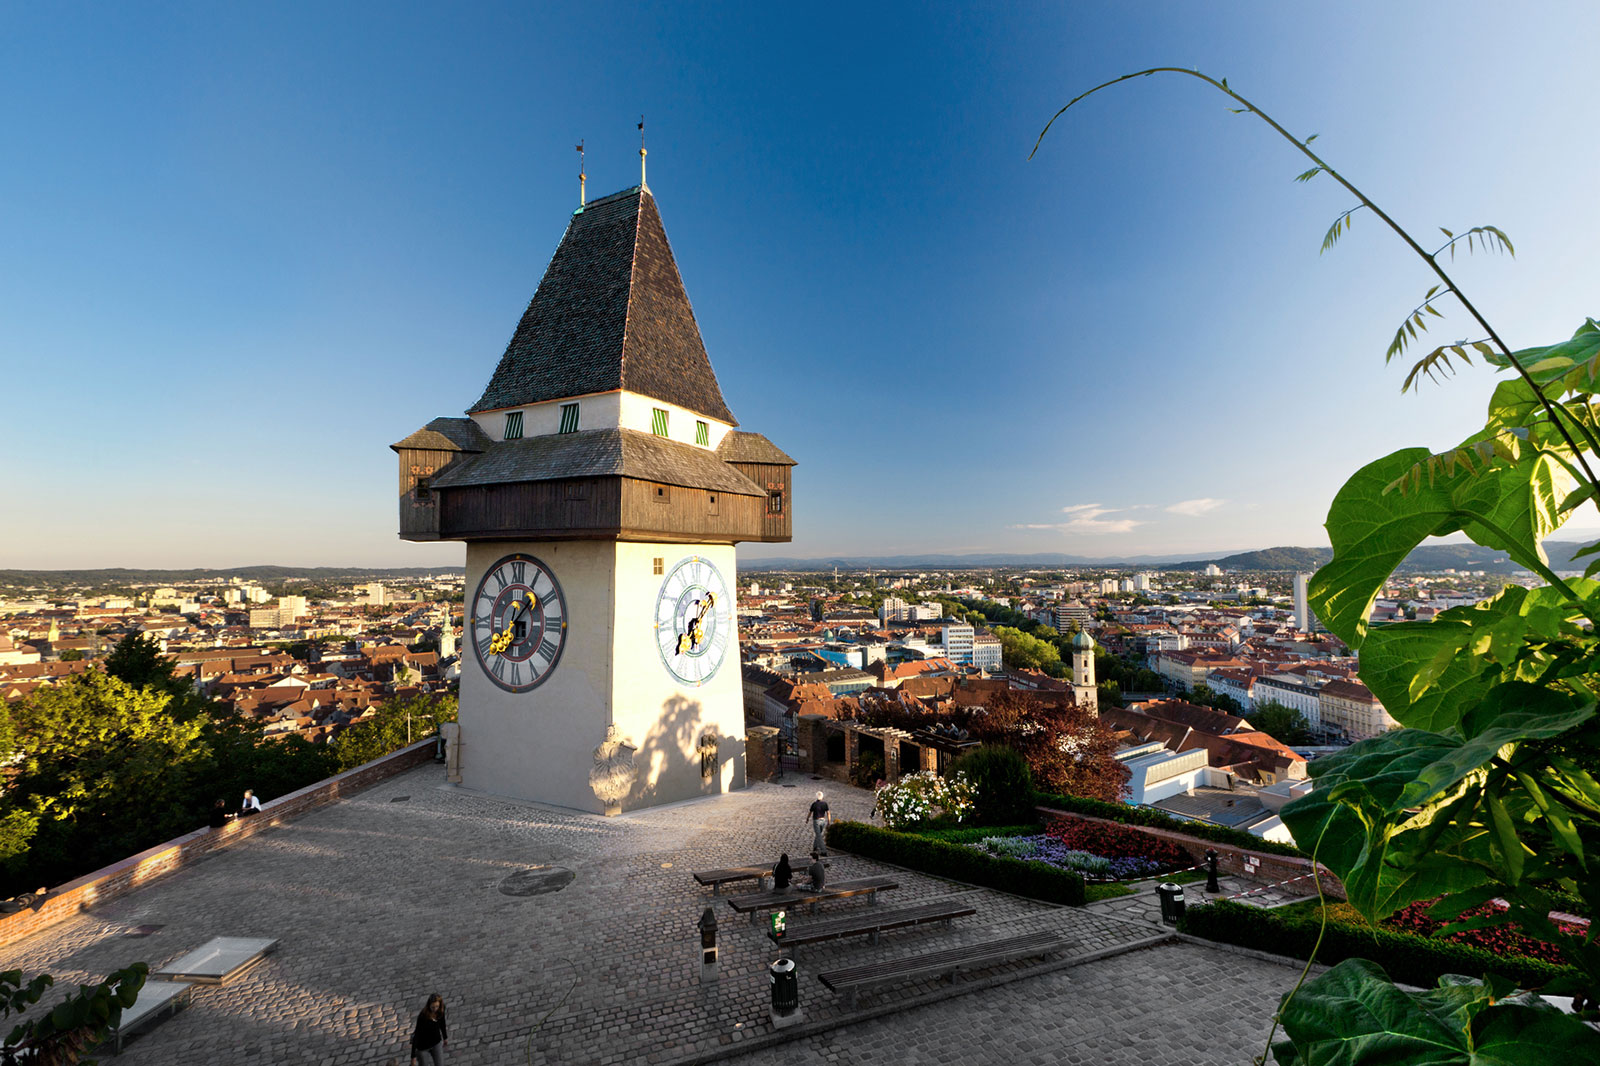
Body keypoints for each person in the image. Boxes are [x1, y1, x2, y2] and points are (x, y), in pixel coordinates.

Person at [409, 993, 448, 1066]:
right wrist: (413, 1056)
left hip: (436, 1042)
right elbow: (417, 1035)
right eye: (433, 1007)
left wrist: (445, 1037)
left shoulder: (441, 1010)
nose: (435, 1009)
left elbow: (442, 1023)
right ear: (429, 1005)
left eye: (437, 1006)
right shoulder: (423, 1016)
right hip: (423, 1047)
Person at [806, 791, 830, 856]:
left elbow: (810, 812)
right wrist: (829, 821)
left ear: (816, 796)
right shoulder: (825, 804)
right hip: (823, 821)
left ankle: (823, 851)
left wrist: (807, 818)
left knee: (819, 836)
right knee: (818, 834)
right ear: (822, 796)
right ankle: (815, 846)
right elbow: (828, 813)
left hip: (816, 821)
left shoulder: (814, 804)